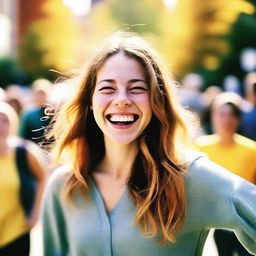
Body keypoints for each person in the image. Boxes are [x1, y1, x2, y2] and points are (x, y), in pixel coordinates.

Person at [41, 32, 256, 256]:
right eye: (108, 88)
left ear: (156, 101)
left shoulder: (190, 178)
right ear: (90, 102)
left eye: (137, 88)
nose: (122, 99)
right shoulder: (64, 186)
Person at [196, 92, 256, 256]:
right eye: (221, 114)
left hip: (246, 220)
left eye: (232, 115)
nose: (226, 120)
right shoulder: (201, 148)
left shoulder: (252, 150)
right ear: (213, 116)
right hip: (216, 223)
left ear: (238, 119)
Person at [0, 102, 46, 256]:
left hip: (16, 230)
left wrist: (35, 213)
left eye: (5, 120)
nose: (1, 125)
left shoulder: (24, 152)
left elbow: (43, 178)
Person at [19, 79, 53, 146]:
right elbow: (23, 134)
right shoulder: (29, 113)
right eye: (38, 94)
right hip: (32, 149)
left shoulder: (53, 112)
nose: (40, 97)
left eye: (43, 94)